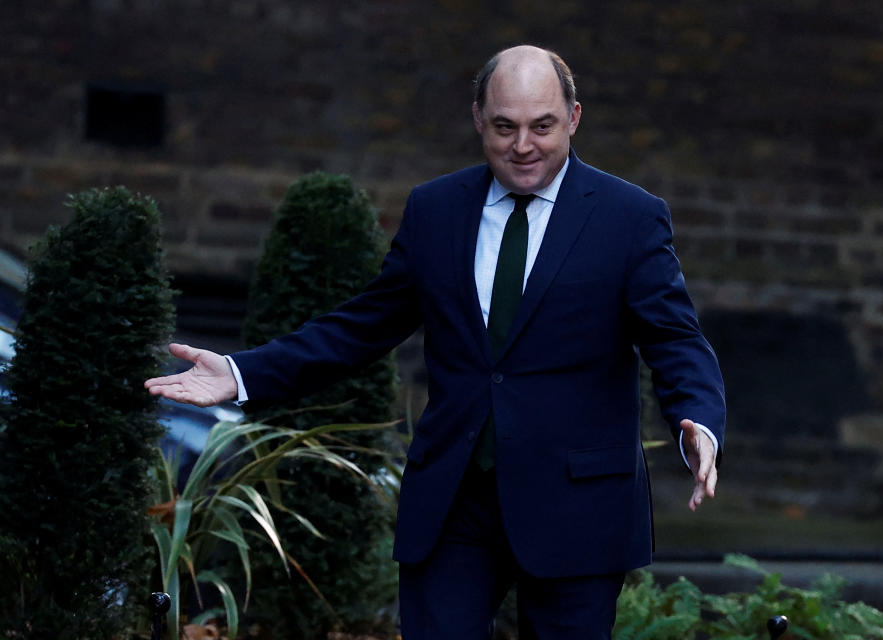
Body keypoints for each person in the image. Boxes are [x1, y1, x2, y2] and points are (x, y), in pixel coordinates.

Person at [146, 45, 725, 640]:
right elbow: (362, 325)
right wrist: (242, 373)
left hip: (576, 505)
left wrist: (699, 422)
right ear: (478, 119)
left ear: (574, 118)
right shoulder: (436, 209)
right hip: (454, 502)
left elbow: (675, 338)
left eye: (541, 127)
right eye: (505, 127)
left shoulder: (630, 218)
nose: (523, 145)